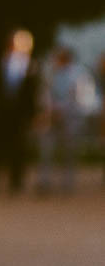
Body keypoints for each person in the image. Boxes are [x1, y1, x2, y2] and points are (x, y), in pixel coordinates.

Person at [36, 46, 100, 194]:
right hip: (51, 118)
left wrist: (63, 110)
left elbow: (83, 98)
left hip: (71, 119)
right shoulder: (50, 74)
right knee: (46, 150)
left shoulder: (80, 75)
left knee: (69, 153)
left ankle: (67, 182)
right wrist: (49, 110)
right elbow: (44, 94)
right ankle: (44, 181)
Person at [0, 29, 39, 195]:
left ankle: (16, 181)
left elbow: (32, 93)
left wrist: (32, 114)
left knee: (18, 148)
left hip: (19, 114)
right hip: (1, 111)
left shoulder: (31, 65)